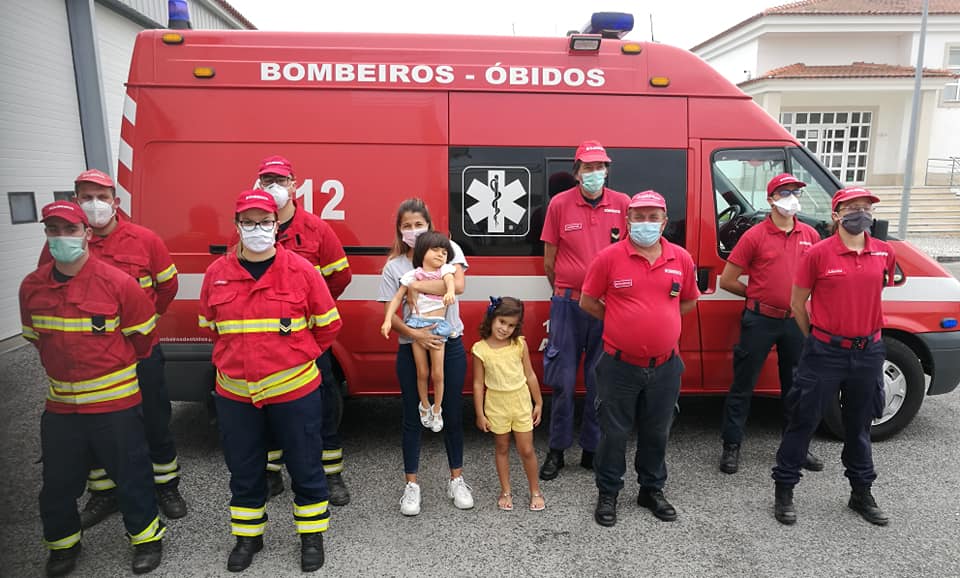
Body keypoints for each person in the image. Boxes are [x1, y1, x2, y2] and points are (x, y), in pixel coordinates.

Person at [198, 190, 343, 572]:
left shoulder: (301, 271)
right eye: (249, 222)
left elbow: (328, 327)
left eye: (264, 221)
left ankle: (311, 537)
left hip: (294, 392)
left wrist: (294, 359)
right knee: (244, 469)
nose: (257, 228)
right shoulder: (217, 275)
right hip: (236, 395)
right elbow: (212, 328)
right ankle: (248, 538)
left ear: (276, 225)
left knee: (306, 465)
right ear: (237, 226)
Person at [21, 201, 167, 576]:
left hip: (114, 404)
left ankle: (146, 540)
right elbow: (37, 339)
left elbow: (142, 340)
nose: (61, 237)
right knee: (58, 483)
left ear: (87, 234)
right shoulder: (32, 287)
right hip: (61, 410)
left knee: (132, 475)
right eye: (53, 230)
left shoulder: (117, 283)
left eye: (70, 230)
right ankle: (63, 547)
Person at [38, 169, 186, 528]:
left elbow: (167, 288)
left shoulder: (145, 240)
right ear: (75, 201)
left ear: (115, 202)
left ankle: (166, 486)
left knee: (153, 419)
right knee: (95, 430)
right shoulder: (62, 242)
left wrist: (142, 324)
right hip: (91, 363)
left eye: (102, 197)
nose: (94, 204)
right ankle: (104, 492)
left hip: (141, 350)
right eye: (86, 196)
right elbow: (44, 295)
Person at [772, 186, 895, 527]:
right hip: (825, 351)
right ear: (837, 215)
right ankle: (784, 489)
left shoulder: (884, 253)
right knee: (804, 420)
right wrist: (817, 339)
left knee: (859, 426)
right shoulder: (818, 254)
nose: (861, 212)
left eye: (866, 207)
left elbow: (874, 293)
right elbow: (798, 304)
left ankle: (861, 491)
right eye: (853, 207)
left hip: (868, 352)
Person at [580, 191, 699, 527]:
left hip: (665, 365)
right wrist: (621, 322)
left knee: (657, 431)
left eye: (653, 217)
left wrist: (659, 324)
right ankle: (608, 493)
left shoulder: (681, 259)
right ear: (627, 221)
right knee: (613, 433)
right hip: (618, 364)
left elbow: (688, 302)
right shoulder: (608, 258)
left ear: (664, 222)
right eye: (639, 217)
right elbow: (588, 301)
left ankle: (651, 489)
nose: (646, 223)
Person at [254, 155, 354, 506]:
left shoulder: (315, 229)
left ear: (294, 185)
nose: (274, 187)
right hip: (263, 341)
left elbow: (340, 275)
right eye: (267, 180)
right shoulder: (250, 228)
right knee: (266, 406)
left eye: (280, 180)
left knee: (322, 405)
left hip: (306, 337)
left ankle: (331, 474)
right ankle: (270, 473)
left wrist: (313, 310)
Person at [718, 173, 824, 474]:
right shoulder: (754, 236)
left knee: (796, 387)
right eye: (785, 192)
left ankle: (796, 447)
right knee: (743, 385)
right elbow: (728, 280)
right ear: (771, 199)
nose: (792, 197)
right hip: (760, 320)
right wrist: (758, 294)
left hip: (795, 321)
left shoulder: (810, 236)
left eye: (796, 192)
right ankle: (731, 446)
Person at [539, 140, 631, 481]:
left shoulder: (622, 204)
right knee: (562, 380)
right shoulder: (559, 205)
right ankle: (557, 450)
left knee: (599, 380)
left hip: (608, 306)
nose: (595, 173)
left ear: (607, 170)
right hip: (567, 303)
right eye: (588, 167)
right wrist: (567, 292)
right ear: (577, 172)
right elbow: (549, 261)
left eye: (600, 167)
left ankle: (592, 450)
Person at [377, 198, 474, 516]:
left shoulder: (448, 249)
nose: (414, 231)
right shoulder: (394, 267)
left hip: (450, 341)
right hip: (411, 344)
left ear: (430, 226)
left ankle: (457, 479)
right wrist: (416, 333)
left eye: (419, 224)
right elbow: (390, 311)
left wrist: (416, 288)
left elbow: (457, 286)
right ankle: (412, 486)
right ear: (399, 230)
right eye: (407, 226)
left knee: (452, 413)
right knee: (411, 417)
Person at [472, 297, 545, 512]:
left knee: (527, 449)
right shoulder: (480, 349)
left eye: (511, 325)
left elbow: (530, 375)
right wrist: (479, 414)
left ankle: (535, 490)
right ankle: (505, 490)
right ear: (492, 318)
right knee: (502, 448)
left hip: (520, 402)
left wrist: (538, 402)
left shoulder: (518, 344)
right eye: (502, 322)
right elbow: (478, 385)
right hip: (496, 405)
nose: (505, 328)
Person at [381, 231, 457, 432]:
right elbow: (397, 298)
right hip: (416, 324)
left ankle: (437, 408)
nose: (441, 255)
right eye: (435, 250)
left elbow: (451, 283)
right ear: (422, 251)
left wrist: (449, 292)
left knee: (438, 373)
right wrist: (388, 319)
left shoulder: (445, 271)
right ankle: (424, 404)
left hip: (438, 326)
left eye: (444, 252)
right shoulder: (411, 275)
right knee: (422, 371)